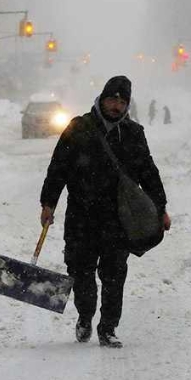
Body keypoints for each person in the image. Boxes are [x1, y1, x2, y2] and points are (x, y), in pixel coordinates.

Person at [40, 76, 171, 348]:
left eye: (122, 102)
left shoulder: (133, 134)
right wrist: (48, 203)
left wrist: (161, 208)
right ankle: (85, 316)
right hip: (81, 216)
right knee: (80, 270)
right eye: (112, 99)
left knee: (114, 274)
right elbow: (58, 168)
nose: (116, 106)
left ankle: (108, 328)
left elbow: (149, 172)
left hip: (118, 219)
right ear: (102, 99)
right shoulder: (79, 127)